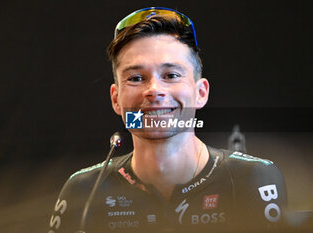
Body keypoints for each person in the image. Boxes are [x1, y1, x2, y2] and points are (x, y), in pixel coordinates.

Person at [48, 7, 287, 233]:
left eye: (171, 75)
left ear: (201, 93)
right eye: (136, 78)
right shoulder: (83, 191)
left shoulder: (253, 179)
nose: (154, 90)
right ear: (116, 99)